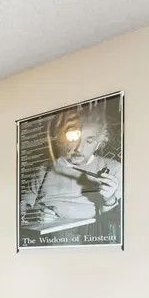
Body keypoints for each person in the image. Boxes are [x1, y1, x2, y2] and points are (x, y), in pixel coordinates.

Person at [19, 101, 121, 241]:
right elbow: (22, 209)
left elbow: (114, 222)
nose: (79, 148)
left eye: (89, 141)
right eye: (74, 139)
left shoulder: (114, 168)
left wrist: (109, 199)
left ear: (99, 144)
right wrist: (31, 215)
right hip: (39, 236)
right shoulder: (45, 168)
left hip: (83, 237)